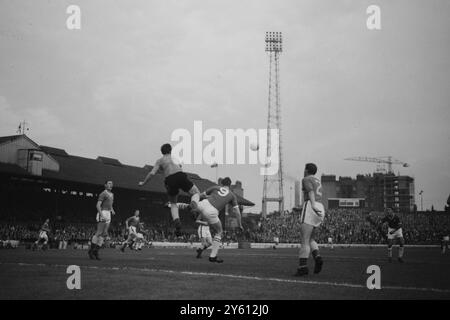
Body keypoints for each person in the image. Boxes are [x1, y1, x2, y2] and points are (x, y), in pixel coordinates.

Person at [139, 143, 200, 236]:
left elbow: (152, 173)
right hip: (180, 175)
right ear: (171, 150)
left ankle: (177, 223)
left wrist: (143, 183)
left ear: (162, 152)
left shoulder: (159, 161)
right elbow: (180, 167)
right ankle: (193, 206)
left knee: (173, 204)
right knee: (196, 192)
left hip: (170, 180)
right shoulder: (175, 158)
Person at [196, 177, 243, 263]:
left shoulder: (215, 187)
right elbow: (237, 213)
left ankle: (172, 205)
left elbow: (200, 195)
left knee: (191, 206)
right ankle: (212, 256)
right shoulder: (232, 195)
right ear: (230, 185)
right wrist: (239, 225)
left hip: (205, 204)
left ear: (221, 184)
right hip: (210, 214)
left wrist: (203, 196)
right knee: (219, 231)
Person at [295, 163, 325, 276]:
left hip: (311, 206)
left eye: (304, 169)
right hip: (320, 207)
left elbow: (311, 192)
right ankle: (317, 258)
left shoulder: (306, 179)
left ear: (307, 170)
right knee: (311, 238)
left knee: (305, 239)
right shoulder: (318, 180)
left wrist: (312, 204)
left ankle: (303, 268)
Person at [88, 180, 115, 260]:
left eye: (112, 184)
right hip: (102, 212)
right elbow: (98, 205)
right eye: (109, 183)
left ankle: (96, 251)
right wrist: (101, 214)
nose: (111, 185)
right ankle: (91, 251)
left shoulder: (112, 194)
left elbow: (110, 204)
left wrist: (112, 210)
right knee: (99, 232)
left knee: (104, 234)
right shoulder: (103, 193)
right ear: (105, 185)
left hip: (108, 214)